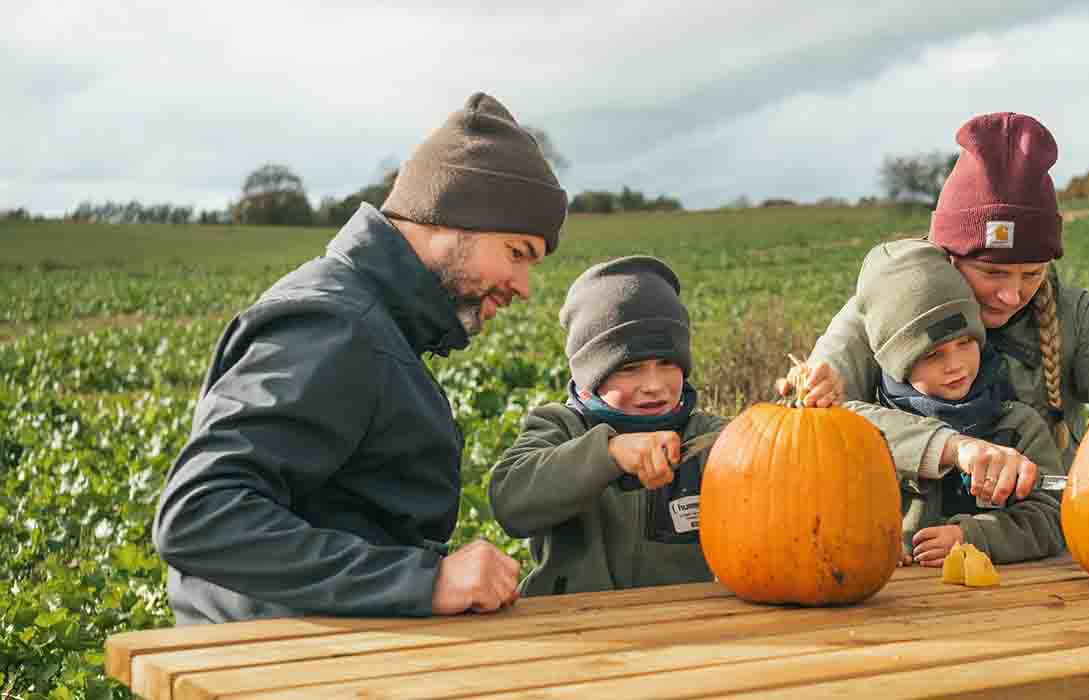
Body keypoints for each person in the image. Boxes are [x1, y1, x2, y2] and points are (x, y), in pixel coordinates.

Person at [152, 92, 567, 624]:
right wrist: (425, 581)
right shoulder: (336, 326)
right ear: (447, 219)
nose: (523, 286)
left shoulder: (374, 325)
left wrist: (429, 573)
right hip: (274, 669)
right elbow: (200, 515)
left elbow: (342, 518)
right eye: (517, 254)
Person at [794, 112, 1089, 490]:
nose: (1012, 294)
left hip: (1040, 544)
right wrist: (950, 447)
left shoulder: (1077, 316)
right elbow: (820, 421)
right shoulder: (884, 309)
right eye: (992, 273)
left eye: (1032, 274)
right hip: (905, 551)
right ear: (948, 257)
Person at [489, 256, 725, 596]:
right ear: (590, 376)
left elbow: (777, 470)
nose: (653, 384)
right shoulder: (560, 426)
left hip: (680, 624)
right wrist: (609, 453)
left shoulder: (707, 438)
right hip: (570, 626)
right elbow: (509, 500)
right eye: (631, 368)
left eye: (667, 364)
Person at [840, 239, 1064, 567]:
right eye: (932, 355)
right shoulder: (867, 435)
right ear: (897, 363)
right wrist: (871, 545)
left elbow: (1050, 518)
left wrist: (975, 536)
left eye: (965, 343)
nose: (956, 364)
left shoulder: (1018, 426)